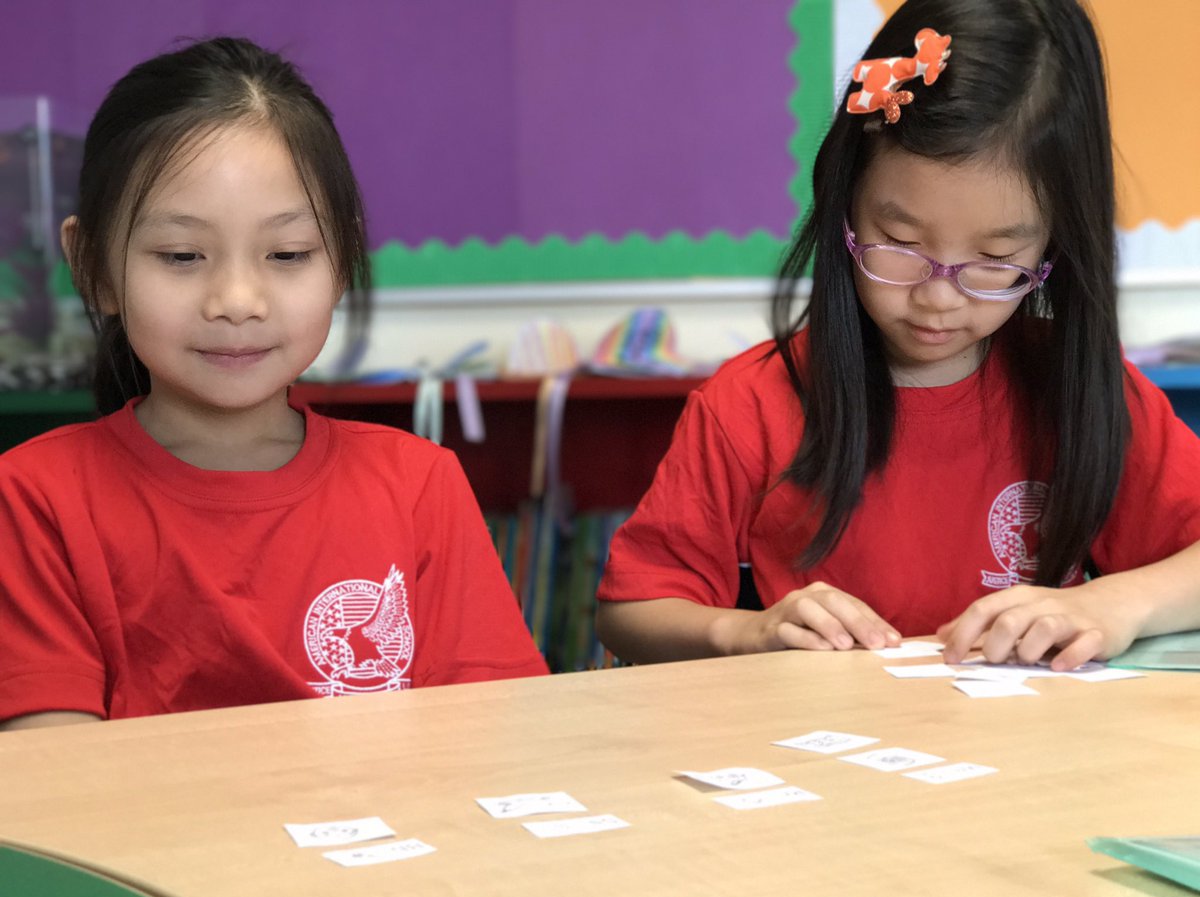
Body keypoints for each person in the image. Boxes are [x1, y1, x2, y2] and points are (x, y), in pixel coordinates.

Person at [596, 0, 1200, 671]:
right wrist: (750, 632)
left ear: (1055, 246)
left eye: (995, 261)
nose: (938, 298)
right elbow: (631, 613)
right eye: (900, 242)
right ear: (844, 203)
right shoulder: (751, 405)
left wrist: (1117, 604)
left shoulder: (1082, 391)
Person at [0, 37, 547, 731]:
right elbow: (59, 783)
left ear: (341, 259)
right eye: (181, 255)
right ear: (95, 267)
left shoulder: (418, 485)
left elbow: (491, 737)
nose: (237, 299)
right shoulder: (34, 499)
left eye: (287, 254)